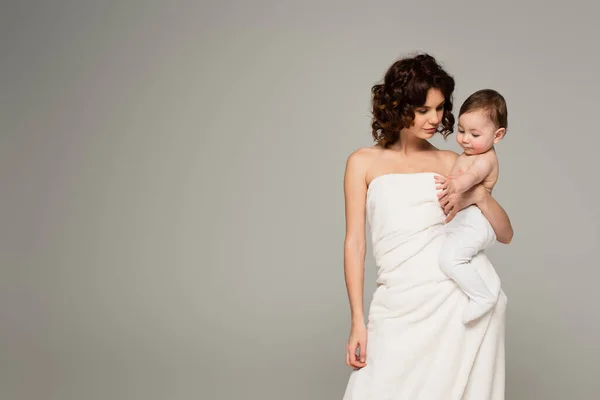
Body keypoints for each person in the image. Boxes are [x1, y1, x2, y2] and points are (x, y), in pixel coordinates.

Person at [342, 53, 513, 399]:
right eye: (423, 110)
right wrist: (358, 320)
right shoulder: (362, 163)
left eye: (440, 108)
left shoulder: (452, 162)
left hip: (454, 302)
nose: (435, 119)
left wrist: (480, 195)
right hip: (399, 304)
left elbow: (505, 232)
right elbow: (355, 244)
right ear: (396, 107)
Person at [435, 89, 509, 324]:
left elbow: (473, 177)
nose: (465, 139)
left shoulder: (486, 158)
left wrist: (454, 184)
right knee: (442, 255)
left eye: (474, 134)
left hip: (477, 222)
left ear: (497, 136)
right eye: (461, 131)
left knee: (450, 259)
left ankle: (483, 297)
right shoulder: (467, 153)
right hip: (464, 221)